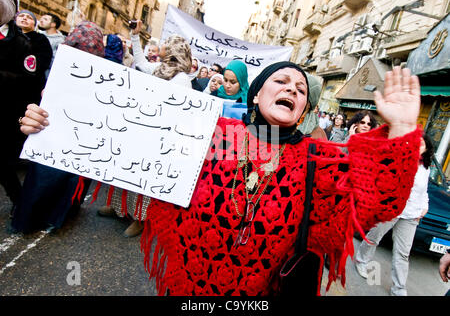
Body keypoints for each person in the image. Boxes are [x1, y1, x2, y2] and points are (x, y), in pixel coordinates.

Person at [19, 64, 423, 296]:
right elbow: (116, 139)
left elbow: (376, 203)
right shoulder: (205, 132)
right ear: (257, 93)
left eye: (300, 90)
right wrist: (51, 126)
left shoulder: (319, 158)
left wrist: (403, 130)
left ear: (303, 109)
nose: (292, 89)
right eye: (281, 81)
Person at [95, 20, 193, 237]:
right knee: (125, 169)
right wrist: (135, 35)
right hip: (140, 129)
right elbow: (139, 61)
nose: (162, 47)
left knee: (145, 180)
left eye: (167, 44)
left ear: (174, 50)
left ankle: (140, 218)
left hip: (159, 138)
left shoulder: (182, 79)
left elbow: (178, 112)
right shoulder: (160, 69)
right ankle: (119, 207)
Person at [11, 20, 103, 234]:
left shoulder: (63, 63)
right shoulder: (99, 71)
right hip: (64, 134)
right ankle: (52, 216)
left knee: (44, 180)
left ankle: (28, 220)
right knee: (64, 179)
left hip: (54, 137)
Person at [354, 134, 434, 296]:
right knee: (374, 236)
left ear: (426, 148)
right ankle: (361, 260)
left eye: (421, 144)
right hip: (392, 209)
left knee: (403, 253)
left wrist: (424, 207)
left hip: (411, 215)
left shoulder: (426, 167)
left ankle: (398, 288)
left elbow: (423, 192)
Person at [1, 0, 37, 218]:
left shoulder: (22, 43)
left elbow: (29, 81)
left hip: (5, 110)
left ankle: (20, 201)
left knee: (2, 163)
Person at [130, 20, 192, 89]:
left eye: (165, 43)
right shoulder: (159, 67)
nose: (162, 45)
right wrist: (135, 36)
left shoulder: (182, 79)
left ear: (172, 50)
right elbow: (141, 63)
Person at [15, 9, 52, 103]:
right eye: (21, 16)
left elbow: (43, 61)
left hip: (28, 86)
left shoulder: (41, 39)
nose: (24, 18)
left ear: (34, 24)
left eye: (29, 17)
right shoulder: (6, 36)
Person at [297, 73, 327, 139]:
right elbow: (273, 149)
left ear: (310, 104)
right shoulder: (274, 125)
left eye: (300, 91)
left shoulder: (319, 134)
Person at [37, 13, 65, 78]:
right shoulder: (39, 34)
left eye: (45, 19)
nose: (41, 20)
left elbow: (55, 62)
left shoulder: (60, 41)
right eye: (41, 18)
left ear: (53, 24)